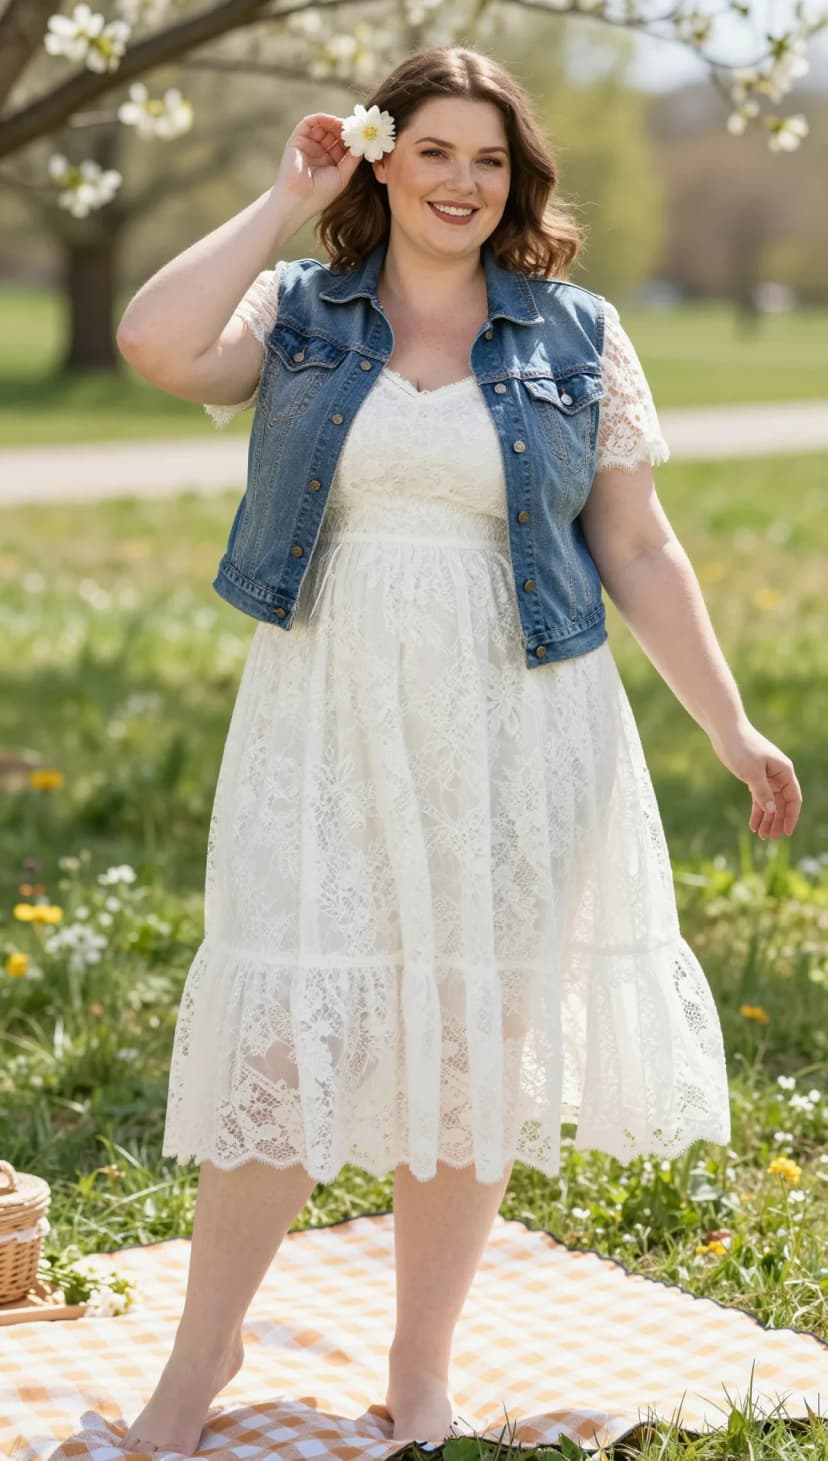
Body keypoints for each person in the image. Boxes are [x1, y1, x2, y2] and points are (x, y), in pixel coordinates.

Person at [114, 44, 802, 1456]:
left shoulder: (579, 333)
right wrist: (279, 200)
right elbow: (154, 342)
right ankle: (201, 1354)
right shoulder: (303, 308)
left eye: (490, 159)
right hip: (326, 711)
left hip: (518, 724)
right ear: (380, 156)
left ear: (518, 176)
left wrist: (729, 723)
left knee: (474, 1042)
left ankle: (419, 1364)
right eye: (433, 152)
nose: (464, 183)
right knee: (288, 1031)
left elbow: (639, 545)